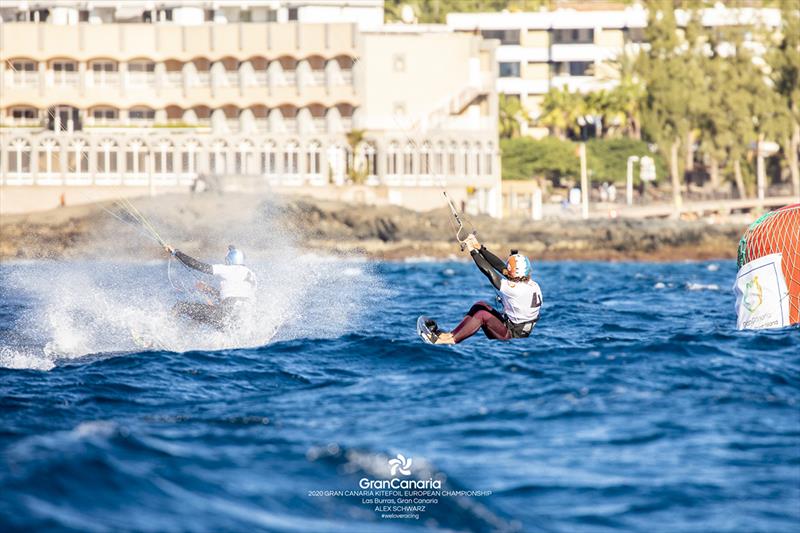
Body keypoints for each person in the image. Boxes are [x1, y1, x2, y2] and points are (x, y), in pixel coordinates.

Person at [426, 235, 542, 344]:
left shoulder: (515, 289)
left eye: (509, 269)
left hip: (512, 336)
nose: (505, 269)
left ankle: (448, 340)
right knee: (479, 305)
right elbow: (499, 267)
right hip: (511, 328)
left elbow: (489, 272)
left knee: (482, 314)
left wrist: (473, 251)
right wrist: (480, 248)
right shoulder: (531, 284)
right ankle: (449, 335)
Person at [164, 244, 257, 329]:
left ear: (229, 260)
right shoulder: (251, 275)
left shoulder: (229, 269)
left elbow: (197, 265)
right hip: (241, 321)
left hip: (225, 316)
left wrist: (176, 253)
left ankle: (165, 330)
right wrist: (208, 290)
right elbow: (233, 297)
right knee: (200, 316)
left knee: (181, 306)